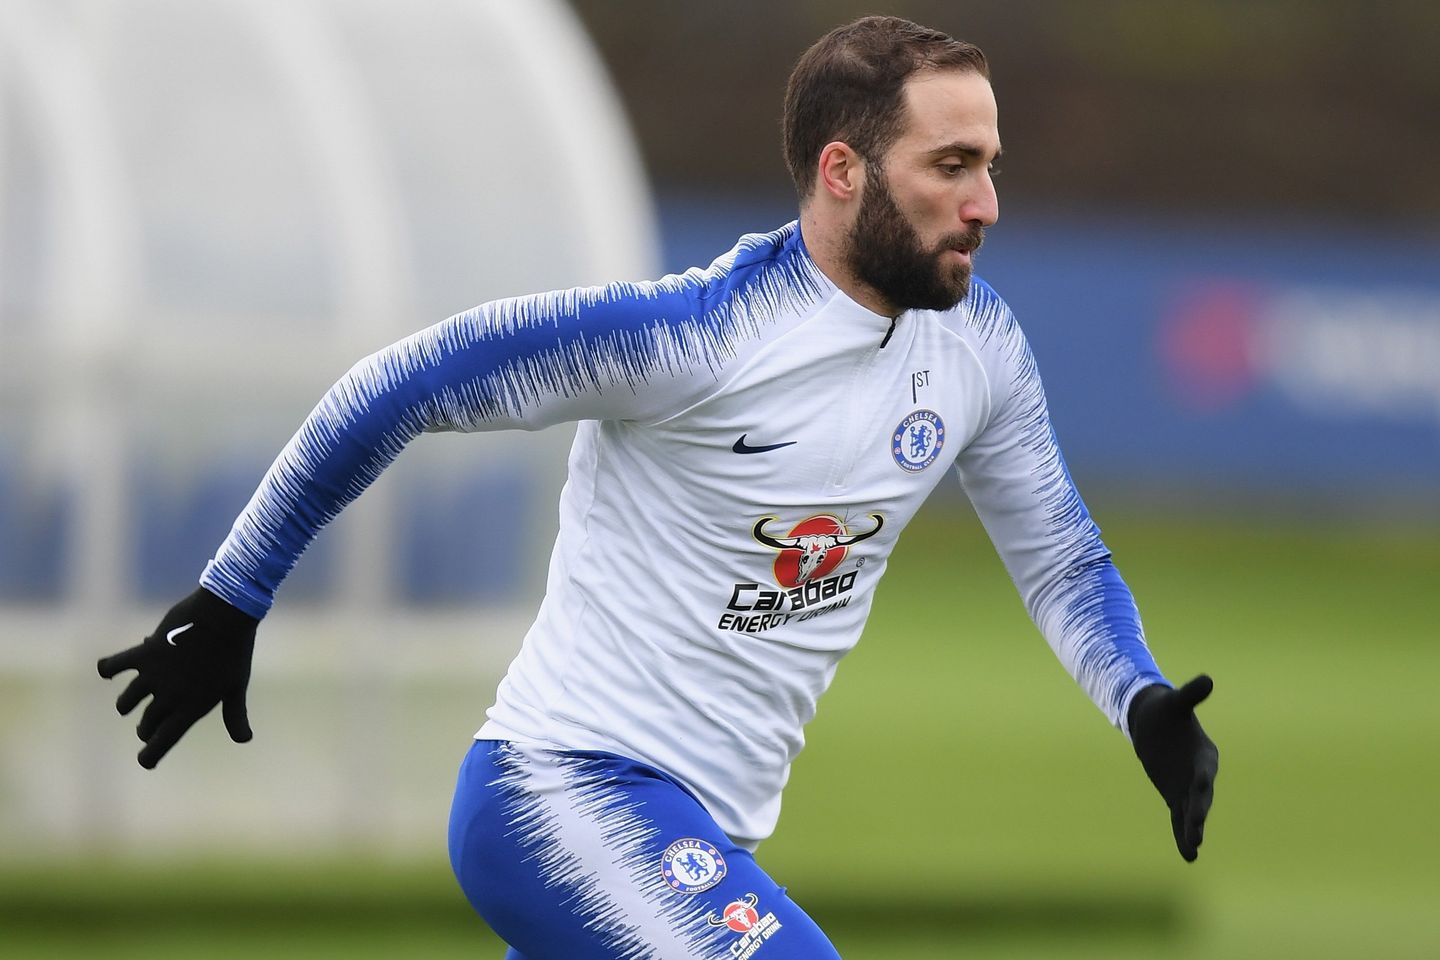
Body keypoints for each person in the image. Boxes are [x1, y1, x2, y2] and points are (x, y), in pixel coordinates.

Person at [97, 15, 1219, 959]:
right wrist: (235, 596)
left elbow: (1060, 558)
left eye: (990, 166)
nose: (985, 205)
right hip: (558, 795)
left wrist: (1139, 698)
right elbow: (398, 385)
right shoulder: (689, 339)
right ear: (843, 171)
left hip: (702, 834)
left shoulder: (980, 348)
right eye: (951, 165)